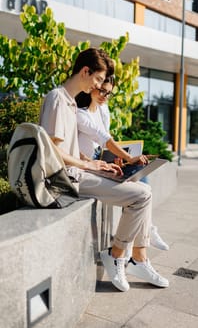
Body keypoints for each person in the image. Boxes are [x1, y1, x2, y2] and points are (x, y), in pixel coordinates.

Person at [39, 47, 169, 292]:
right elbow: (51, 151)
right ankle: (117, 253)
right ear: (86, 71)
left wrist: (98, 164)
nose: (97, 86)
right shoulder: (58, 98)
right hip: (65, 179)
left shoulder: (67, 102)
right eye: (98, 79)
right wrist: (87, 164)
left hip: (78, 172)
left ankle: (137, 256)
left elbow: (68, 148)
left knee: (141, 189)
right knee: (142, 195)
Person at [76, 76, 169, 252]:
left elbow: (106, 140)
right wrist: (127, 157)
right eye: (101, 90)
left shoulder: (103, 110)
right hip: (87, 164)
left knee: (140, 171)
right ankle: (145, 231)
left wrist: (116, 158)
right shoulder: (80, 113)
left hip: (101, 157)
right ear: (91, 87)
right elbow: (103, 138)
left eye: (109, 93)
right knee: (139, 186)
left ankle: (146, 230)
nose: (104, 96)